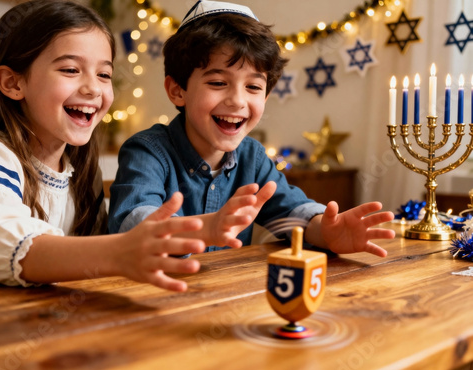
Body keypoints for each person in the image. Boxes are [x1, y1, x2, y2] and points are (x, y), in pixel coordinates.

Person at [0, 0, 266, 292]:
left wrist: (196, 230)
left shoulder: (81, 173)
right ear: (13, 83)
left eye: (104, 74)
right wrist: (118, 252)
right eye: (71, 70)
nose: (93, 88)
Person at [108, 0, 396, 256]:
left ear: (266, 96)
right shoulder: (148, 151)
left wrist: (327, 232)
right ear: (177, 90)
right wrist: (204, 230)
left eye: (253, 87)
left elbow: (290, 214)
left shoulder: (253, 158)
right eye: (218, 82)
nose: (237, 100)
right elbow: (135, 224)